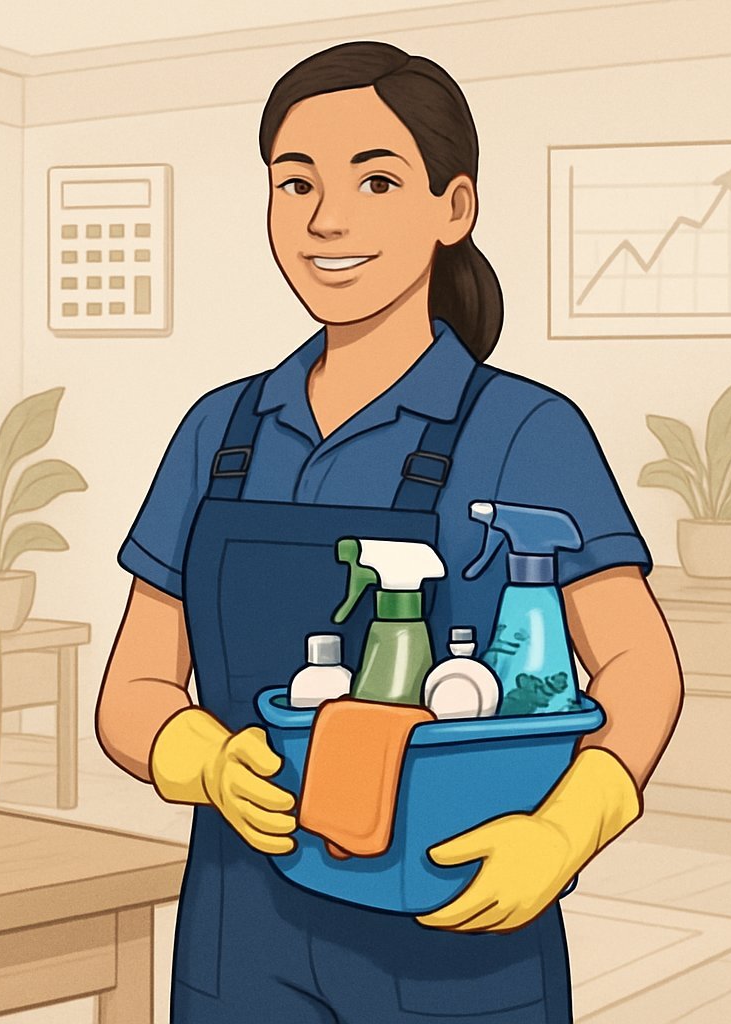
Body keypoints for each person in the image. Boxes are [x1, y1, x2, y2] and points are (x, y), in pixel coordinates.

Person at [96, 40, 683, 1022]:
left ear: (453, 207)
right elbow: (133, 686)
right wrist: (194, 757)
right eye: (296, 183)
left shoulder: (526, 430)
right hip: (244, 927)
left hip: (458, 921)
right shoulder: (218, 432)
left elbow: (641, 666)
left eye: (376, 180)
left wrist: (567, 828)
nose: (328, 219)